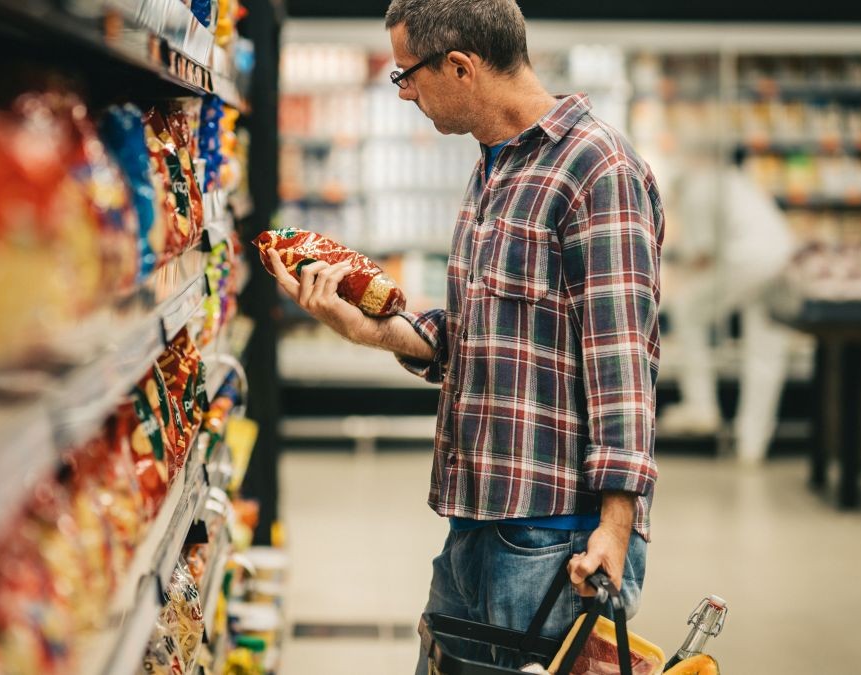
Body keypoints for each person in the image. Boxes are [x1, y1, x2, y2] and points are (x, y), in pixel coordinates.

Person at [263, 1, 663, 670]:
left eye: (406, 75)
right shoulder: (494, 167)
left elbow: (623, 366)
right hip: (475, 520)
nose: (406, 91)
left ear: (460, 66)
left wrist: (617, 527)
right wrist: (368, 328)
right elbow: (475, 338)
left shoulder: (598, 172)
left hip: (554, 538)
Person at [658, 162, 795, 464]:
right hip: (782, 255)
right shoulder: (729, 178)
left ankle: (702, 406)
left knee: (687, 310)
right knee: (766, 352)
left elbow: (702, 256)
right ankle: (752, 446)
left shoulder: (694, 191)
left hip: (746, 258)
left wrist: (669, 269)